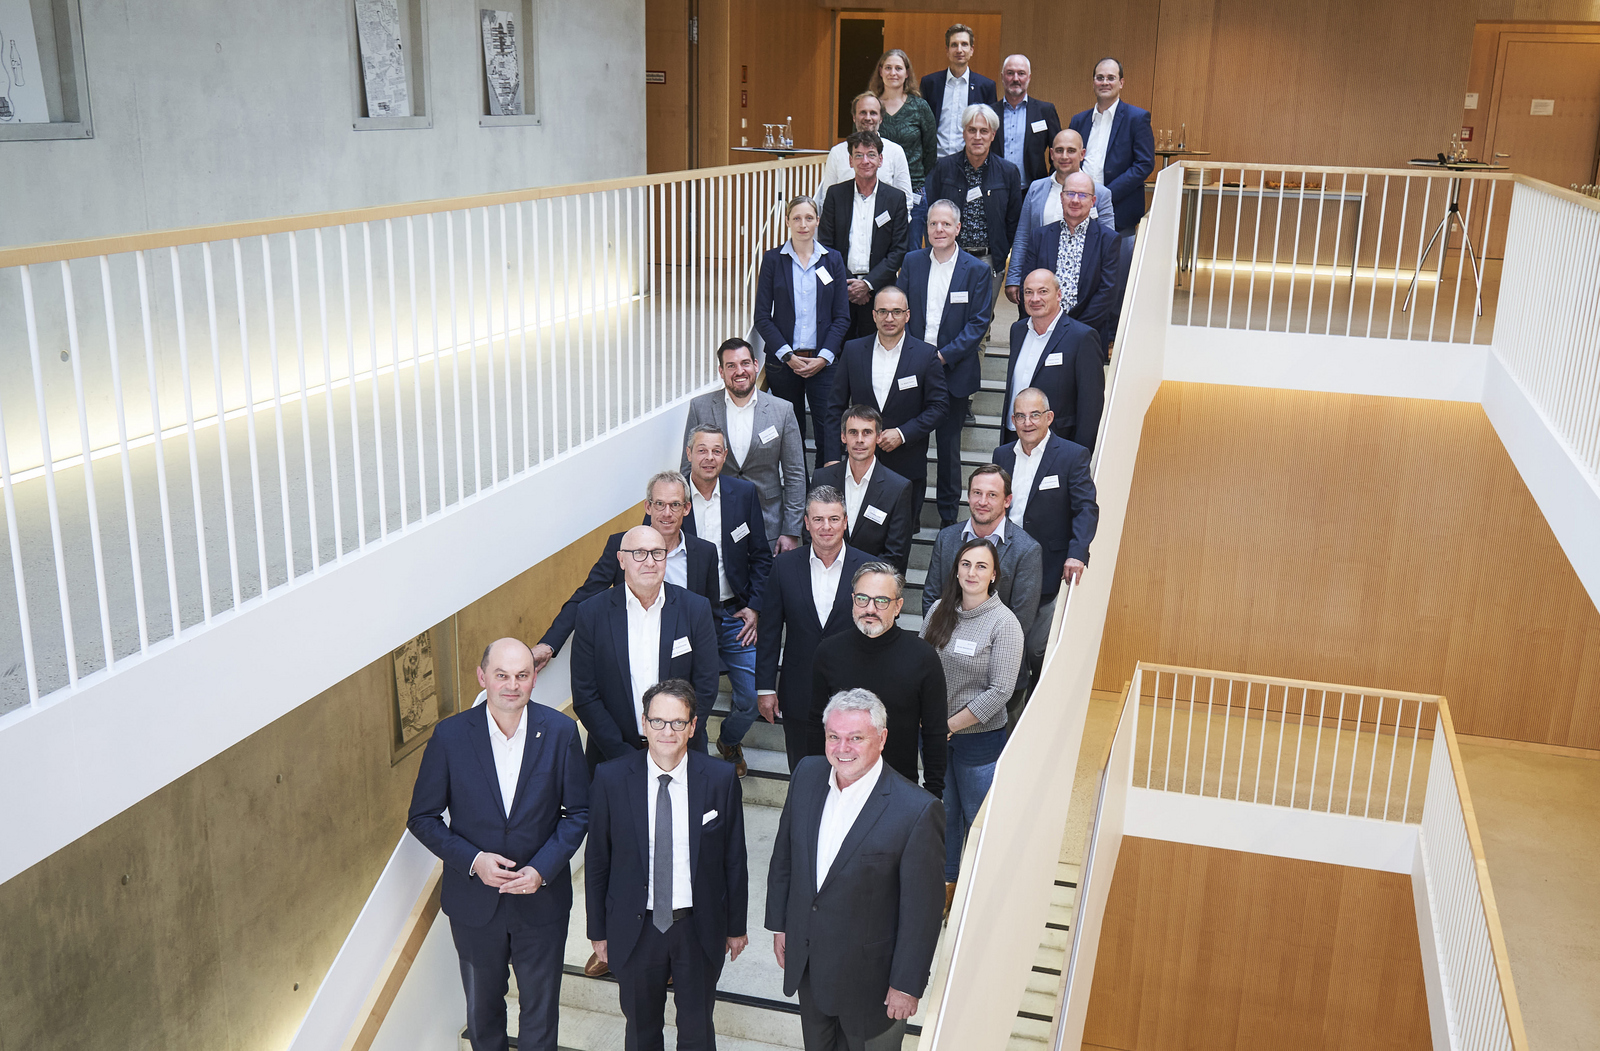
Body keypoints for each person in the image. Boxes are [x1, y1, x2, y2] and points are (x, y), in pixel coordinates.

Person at [407, 639, 590, 1051]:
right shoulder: (450, 736)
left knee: (541, 1016)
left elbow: (579, 812)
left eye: (522, 675)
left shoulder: (560, 732)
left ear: (534, 678)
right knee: (483, 1016)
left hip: (541, 903)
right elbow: (422, 818)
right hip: (474, 903)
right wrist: (473, 861)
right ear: (482, 677)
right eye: (502, 675)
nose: (512, 685)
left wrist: (542, 869)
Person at [765, 689, 945, 1051]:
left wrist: (906, 984)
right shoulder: (807, 774)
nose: (842, 747)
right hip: (811, 964)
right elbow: (785, 856)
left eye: (855, 738)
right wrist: (782, 923)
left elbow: (921, 912)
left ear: (882, 739)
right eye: (834, 736)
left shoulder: (917, 810)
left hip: (873, 986)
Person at [586, 679, 749, 1051]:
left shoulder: (720, 779)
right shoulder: (611, 778)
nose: (667, 731)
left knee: (696, 1032)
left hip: (697, 927)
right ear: (644, 723)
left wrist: (736, 926)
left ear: (693, 727)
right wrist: (598, 929)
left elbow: (734, 859)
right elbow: (598, 860)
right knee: (641, 1033)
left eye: (678, 722)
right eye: (658, 721)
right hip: (635, 927)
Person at [919, 537, 1024, 911]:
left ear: (994, 575)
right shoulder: (938, 612)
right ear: (956, 570)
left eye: (981, 566)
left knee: (977, 816)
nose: (972, 572)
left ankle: (981, 893)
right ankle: (947, 886)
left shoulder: (1004, 623)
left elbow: (1000, 691)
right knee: (944, 813)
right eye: (966, 564)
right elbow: (920, 666)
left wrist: (947, 725)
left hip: (978, 739)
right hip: (935, 736)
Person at [532, 473, 719, 673]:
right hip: (632, 659)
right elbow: (586, 595)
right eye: (659, 504)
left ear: (686, 509)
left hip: (684, 664)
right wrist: (549, 644)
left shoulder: (705, 552)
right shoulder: (620, 546)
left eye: (675, 505)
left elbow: (712, 614)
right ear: (648, 507)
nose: (667, 513)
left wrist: (709, 663)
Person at [569, 524, 720, 767]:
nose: (649, 562)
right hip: (613, 757)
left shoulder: (695, 609)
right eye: (639, 553)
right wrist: (622, 755)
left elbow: (706, 685)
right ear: (621, 560)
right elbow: (585, 694)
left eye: (657, 553)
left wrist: (675, 740)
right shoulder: (591, 613)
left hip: (684, 753)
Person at [755, 486, 873, 769]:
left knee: (851, 776)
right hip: (799, 695)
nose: (826, 527)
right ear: (806, 523)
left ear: (845, 522)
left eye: (833, 519)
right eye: (818, 519)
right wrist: (764, 688)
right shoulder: (784, 567)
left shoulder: (869, 568)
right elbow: (770, 631)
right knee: (803, 775)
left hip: (854, 695)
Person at [809, 562, 946, 798]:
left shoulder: (923, 657)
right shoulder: (828, 652)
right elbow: (814, 726)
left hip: (899, 790)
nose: (870, 608)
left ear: (898, 606)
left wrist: (933, 792)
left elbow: (934, 732)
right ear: (853, 600)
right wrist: (817, 783)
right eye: (862, 599)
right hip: (839, 787)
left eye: (881, 601)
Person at [896, 199, 994, 528]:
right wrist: (916, 355)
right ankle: (907, 514)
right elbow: (901, 311)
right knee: (912, 447)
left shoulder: (977, 270)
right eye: (933, 224)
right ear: (926, 229)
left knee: (949, 450)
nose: (939, 230)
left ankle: (949, 520)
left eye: (945, 224)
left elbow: (978, 323)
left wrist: (941, 355)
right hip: (913, 371)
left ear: (958, 228)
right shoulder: (911, 262)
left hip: (954, 371)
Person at [992, 388, 1099, 690]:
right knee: (1004, 640)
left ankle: (1035, 703)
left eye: (1035, 415)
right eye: (1021, 416)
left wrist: (1077, 553)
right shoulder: (1002, 455)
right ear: (1013, 421)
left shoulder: (1071, 455)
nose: (1028, 422)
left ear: (1049, 418)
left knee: (1037, 647)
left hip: (1048, 567)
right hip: (1003, 562)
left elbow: (1085, 508)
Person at [684, 425, 773, 777]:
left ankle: (729, 739)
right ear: (689, 453)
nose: (709, 458)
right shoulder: (673, 495)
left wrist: (754, 606)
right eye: (701, 450)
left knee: (750, 699)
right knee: (694, 701)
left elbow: (761, 556)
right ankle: (700, 764)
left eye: (716, 451)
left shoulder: (743, 493)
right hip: (689, 617)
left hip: (734, 612)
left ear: (725, 456)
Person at [824, 285, 949, 526]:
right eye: (882, 311)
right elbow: (834, 408)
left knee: (899, 546)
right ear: (873, 315)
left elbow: (939, 407)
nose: (889, 318)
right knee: (854, 536)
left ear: (907, 315)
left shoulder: (926, 355)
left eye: (896, 311)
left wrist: (903, 434)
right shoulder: (853, 350)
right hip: (856, 466)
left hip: (906, 466)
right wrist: (831, 457)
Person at [681, 337, 807, 553]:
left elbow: (795, 474)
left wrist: (791, 530)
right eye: (731, 366)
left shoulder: (783, 410)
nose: (740, 371)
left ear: (756, 365)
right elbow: (687, 469)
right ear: (721, 371)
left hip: (768, 524)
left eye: (745, 363)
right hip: (714, 524)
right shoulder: (700, 408)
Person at [754, 196, 852, 470]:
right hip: (784, 364)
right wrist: (787, 355)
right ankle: (798, 494)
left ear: (817, 221)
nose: (802, 224)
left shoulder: (833, 260)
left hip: (824, 364)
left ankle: (824, 494)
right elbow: (762, 316)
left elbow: (842, 317)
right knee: (790, 432)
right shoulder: (773, 260)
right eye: (796, 218)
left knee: (828, 431)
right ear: (786, 221)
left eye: (809, 218)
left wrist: (823, 357)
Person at [1068, 57, 1154, 348]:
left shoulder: (1136, 118)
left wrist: (1103, 196)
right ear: (1093, 81)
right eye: (1099, 77)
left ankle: (1111, 339)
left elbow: (1144, 164)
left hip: (1118, 213)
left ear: (1121, 83)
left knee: (1115, 279)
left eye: (1110, 77)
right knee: (1081, 272)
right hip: (1079, 211)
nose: (1105, 82)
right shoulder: (1079, 121)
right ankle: (1077, 332)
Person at [921, 464, 1042, 665]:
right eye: (977, 493)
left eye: (992, 495)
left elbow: (1022, 619)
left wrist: (975, 653)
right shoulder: (946, 538)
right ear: (968, 496)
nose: (982, 502)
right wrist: (948, 643)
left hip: (993, 662)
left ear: (1007, 501)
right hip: (944, 655)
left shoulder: (1027, 550)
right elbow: (932, 598)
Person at [923, 105, 1023, 334]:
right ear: (963, 132)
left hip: (988, 261)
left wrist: (1001, 252)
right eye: (972, 130)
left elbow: (1013, 222)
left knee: (980, 323)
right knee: (946, 317)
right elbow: (930, 213)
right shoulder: (943, 168)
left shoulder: (1008, 172)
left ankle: (974, 370)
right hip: (949, 257)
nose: (977, 137)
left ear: (993, 135)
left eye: (984, 131)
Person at [819, 131, 910, 341]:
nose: (865, 161)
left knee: (875, 351)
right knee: (839, 349)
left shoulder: (895, 199)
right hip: (841, 288)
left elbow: (898, 250)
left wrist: (867, 284)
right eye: (858, 155)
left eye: (871, 154)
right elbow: (825, 244)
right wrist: (850, 283)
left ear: (880, 160)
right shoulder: (834, 194)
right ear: (850, 161)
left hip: (879, 291)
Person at [1012, 172, 1120, 349]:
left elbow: (1107, 293)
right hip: (1041, 332)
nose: (1075, 200)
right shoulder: (1039, 236)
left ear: (1093, 202)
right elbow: (1028, 284)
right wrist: (1045, 324)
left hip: (1086, 333)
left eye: (1083, 195)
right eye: (1070, 193)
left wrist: (1070, 330)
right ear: (1061, 198)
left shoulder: (1108, 240)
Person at [1009, 129, 1114, 310]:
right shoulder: (1036, 189)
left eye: (1071, 150)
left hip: (1083, 287)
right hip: (1039, 285)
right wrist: (1013, 278)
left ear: (1082, 154)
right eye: (1059, 150)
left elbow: (1109, 244)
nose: (1064, 156)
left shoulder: (1101, 193)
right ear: (1051, 154)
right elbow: (1022, 236)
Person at [1001, 270, 1104, 451]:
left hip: (1057, 444)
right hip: (1014, 439)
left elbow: (1091, 407)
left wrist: (1078, 456)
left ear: (1058, 295)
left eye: (1043, 291)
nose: (1035, 298)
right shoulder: (1017, 331)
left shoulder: (1082, 337)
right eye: (1028, 292)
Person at [811, 406, 916, 571]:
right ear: (843, 437)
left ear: (878, 437)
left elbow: (896, 553)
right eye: (853, 432)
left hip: (873, 587)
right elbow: (810, 532)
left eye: (867, 432)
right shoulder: (822, 479)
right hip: (825, 576)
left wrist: (862, 583)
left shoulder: (898, 488)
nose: (859, 439)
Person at [871, 49, 938, 247]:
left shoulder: (920, 107)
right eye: (888, 68)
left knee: (912, 250)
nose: (893, 72)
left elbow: (930, 151)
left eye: (898, 68)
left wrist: (913, 177)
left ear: (907, 73)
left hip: (914, 190)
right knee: (880, 249)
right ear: (880, 71)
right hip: (877, 189)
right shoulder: (871, 106)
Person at [814, 93, 913, 204]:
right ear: (854, 117)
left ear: (881, 118)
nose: (868, 118)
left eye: (873, 113)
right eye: (863, 113)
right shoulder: (837, 152)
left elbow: (906, 199)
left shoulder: (896, 151)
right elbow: (827, 198)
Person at [919, 23, 997, 161]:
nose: (959, 50)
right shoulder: (930, 83)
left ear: (972, 50)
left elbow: (990, 129)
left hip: (970, 162)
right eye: (954, 45)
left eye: (964, 44)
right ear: (947, 50)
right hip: (936, 161)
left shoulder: (986, 86)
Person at [993, 55, 1061, 188]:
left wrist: (1051, 184)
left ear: (1029, 77)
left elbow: (1058, 151)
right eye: (1010, 73)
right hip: (997, 189)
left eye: (1021, 73)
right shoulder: (991, 113)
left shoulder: (1045, 111)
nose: (1015, 79)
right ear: (1002, 77)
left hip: (1032, 190)